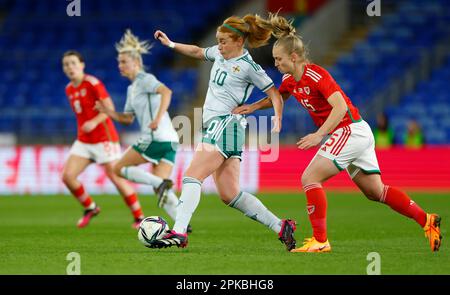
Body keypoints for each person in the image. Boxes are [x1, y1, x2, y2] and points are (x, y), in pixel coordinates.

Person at [233, 14, 441, 252]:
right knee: (376, 191)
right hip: (357, 132)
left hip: (349, 130)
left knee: (309, 178)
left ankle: (320, 241)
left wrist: (318, 135)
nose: (276, 64)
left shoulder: (316, 75)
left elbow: (340, 106)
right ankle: (427, 220)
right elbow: (279, 97)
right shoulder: (290, 79)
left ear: (293, 57)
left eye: (279, 59)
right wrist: (253, 107)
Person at [151, 14, 297, 250]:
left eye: (223, 41)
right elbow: (198, 52)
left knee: (192, 175)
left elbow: (275, 94)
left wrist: (274, 116)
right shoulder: (220, 54)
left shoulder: (250, 67)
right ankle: (281, 226)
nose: (219, 45)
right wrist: (170, 44)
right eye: (218, 41)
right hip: (224, 128)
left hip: (226, 124)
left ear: (239, 41)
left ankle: (179, 231)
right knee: (230, 194)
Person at [95, 30, 182, 230]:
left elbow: (166, 91)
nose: (120, 65)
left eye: (124, 61)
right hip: (169, 140)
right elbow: (127, 119)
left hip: (156, 136)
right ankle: (182, 226)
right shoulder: (131, 89)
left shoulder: (145, 79)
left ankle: (160, 183)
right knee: (160, 190)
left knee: (118, 168)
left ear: (136, 63)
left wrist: (157, 118)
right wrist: (108, 112)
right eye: (119, 62)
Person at [61, 50, 144, 229]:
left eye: (73, 63)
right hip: (84, 141)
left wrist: (93, 121)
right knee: (68, 176)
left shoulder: (92, 83)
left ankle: (139, 217)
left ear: (82, 65)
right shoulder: (69, 89)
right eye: (66, 64)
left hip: (104, 138)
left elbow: (109, 108)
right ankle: (90, 208)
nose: (70, 67)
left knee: (116, 177)